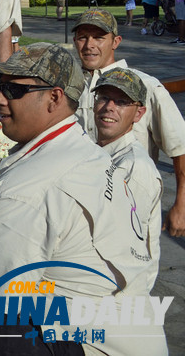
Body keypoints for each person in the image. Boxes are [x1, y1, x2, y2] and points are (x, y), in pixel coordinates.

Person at [0, 43, 166, 355]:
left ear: (54, 98)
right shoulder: (84, 148)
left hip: (94, 343)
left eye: (12, 90)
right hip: (129, 324)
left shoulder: (31, 186)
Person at [72, 8, 185, 237]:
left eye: (99, 37)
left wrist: (181, 204)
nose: (89, 45)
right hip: (79, 205)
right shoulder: (69, 89)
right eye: (83, 37)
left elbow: (180, 147)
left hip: (131, 206)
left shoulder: (146, 86)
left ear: (116, 41)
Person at [92, 68, 162, 292]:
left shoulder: (133, 167)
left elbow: (123, 246)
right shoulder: (98, 152)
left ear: (139, 113)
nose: (109, 107)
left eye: (121, 102)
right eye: (103, 97)